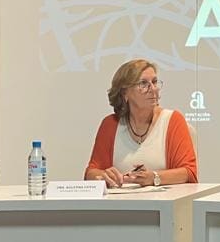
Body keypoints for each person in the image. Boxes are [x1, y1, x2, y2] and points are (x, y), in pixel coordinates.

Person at [84, 59, 197, 187]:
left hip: (164, 199)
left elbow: (189, 172)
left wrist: (154, 177)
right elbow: (90, 173)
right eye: (143, 83)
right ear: (124, 92)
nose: (153, 89)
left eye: (154, 82)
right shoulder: (110, 124)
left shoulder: (173, 120)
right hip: (120, 198)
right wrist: (104, 176)